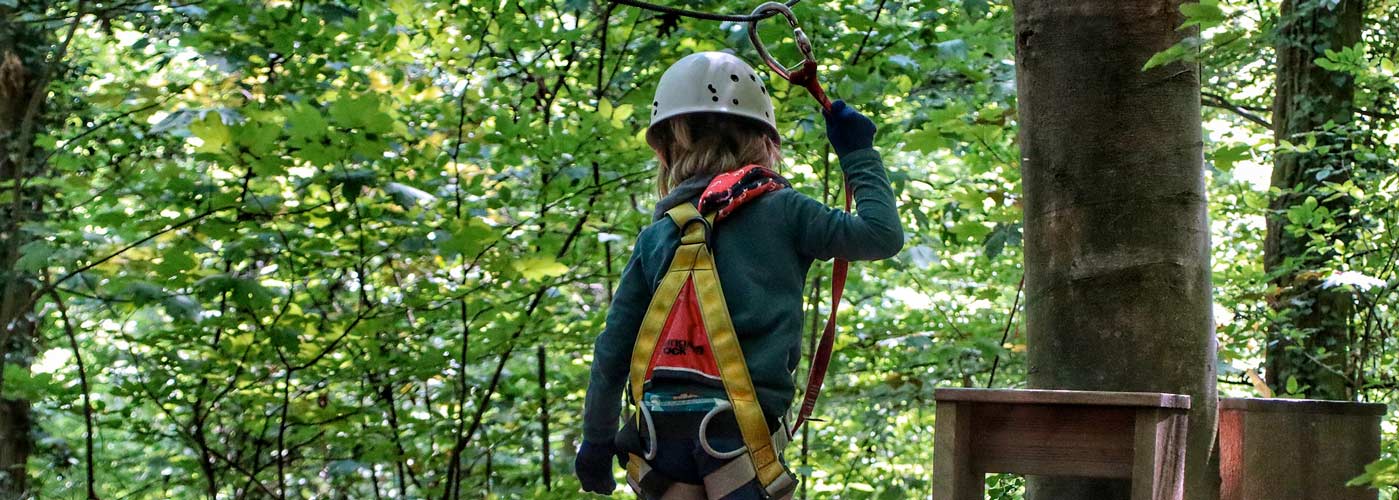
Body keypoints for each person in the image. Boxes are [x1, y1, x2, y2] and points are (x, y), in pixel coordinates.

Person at [575, 51, 903, 499]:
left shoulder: (657, 237)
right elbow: (881, 235)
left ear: (666, 148)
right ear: (766, 140)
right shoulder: (785, 211)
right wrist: (859, 155)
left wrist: (595, 440)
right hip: (742, 438)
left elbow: (613, 350)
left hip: (659, 437)